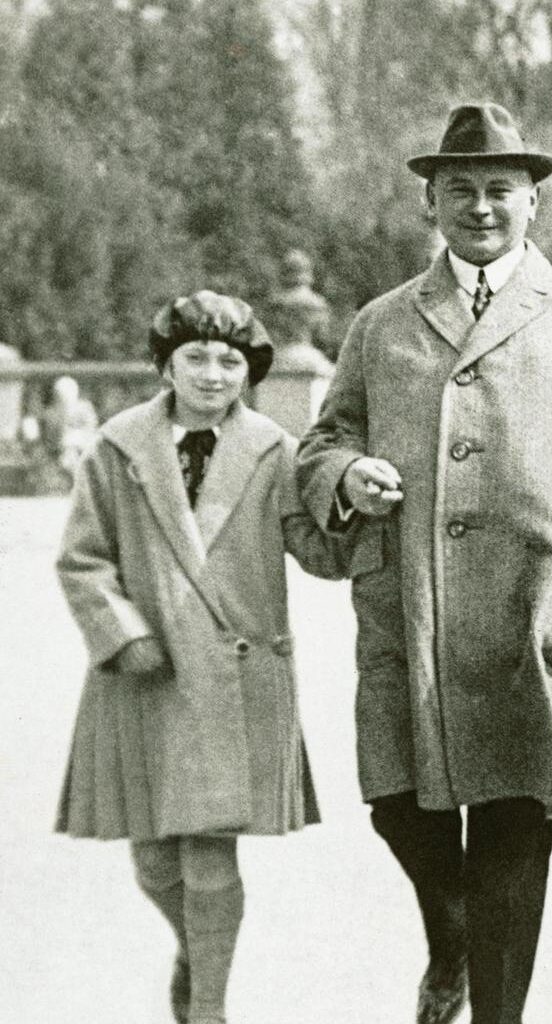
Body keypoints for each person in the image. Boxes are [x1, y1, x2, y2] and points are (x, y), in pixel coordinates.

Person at [296, 102, 552, 1024]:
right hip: (407, 608)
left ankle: (497, 1009)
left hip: (529, 614)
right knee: (397, 806)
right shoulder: (381, 324)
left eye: (503, 190)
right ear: (431, 202)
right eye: (462, 190)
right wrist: (347, 472)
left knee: (511, 835)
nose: (483, 207)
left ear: (535, 202)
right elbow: (323, 440)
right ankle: (450, 937)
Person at [55, 291, 347, 1024]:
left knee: (208, 856)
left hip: (235, 674)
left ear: (249, 370)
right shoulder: (117, 446)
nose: (214, 375)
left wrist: (352, 504)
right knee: (153, 860)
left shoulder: (277, 449)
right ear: (166, 365)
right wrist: (122, 633)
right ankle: (197, 948)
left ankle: (209, 1007)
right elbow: (82, 560)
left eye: (230, 361)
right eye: (196, 358)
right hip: (145, 673)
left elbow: (317, 549)